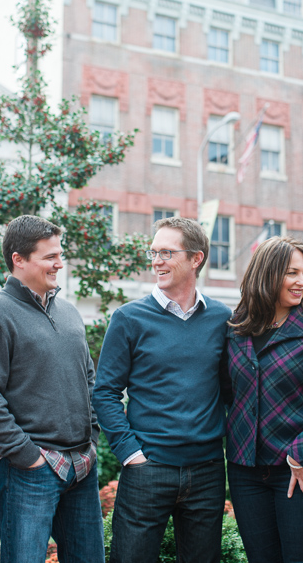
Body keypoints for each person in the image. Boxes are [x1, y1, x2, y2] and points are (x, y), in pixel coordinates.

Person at [0, 215, 102, 563]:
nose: (60, 263)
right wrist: (28, 457)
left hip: (81, 466)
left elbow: (89, 379)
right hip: (29, 471)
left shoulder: (69, 312)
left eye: (60, 254)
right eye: (50, 256)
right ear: (19, 259)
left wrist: (93, 438)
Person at [93, 216, 231, 563]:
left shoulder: (222, 319)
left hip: (207, 471)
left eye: (167, 252)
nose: (156, 261)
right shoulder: (128, 319)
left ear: (195, 258)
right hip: (147, 469)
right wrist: (130, 454)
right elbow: (105, 392)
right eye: (153, 252)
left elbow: (231, 391)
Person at [223, 236, 303, 563]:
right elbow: (229, 394)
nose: (302, 282)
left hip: (297, 471)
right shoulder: (237, 327)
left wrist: (300, 454)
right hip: (245, 469)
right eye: (291, 273)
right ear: (267, 274)